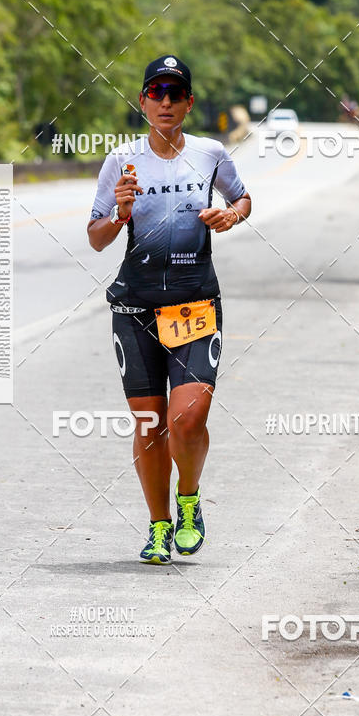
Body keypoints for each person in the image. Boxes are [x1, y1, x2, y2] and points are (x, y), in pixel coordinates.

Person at [87, 54, 251, 564]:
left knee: (188, 417)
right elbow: (95, 238)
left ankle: (189, 499)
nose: (165, 101)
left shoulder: (210, 153)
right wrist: (120, 215)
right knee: (148, 424)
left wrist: (230, 215)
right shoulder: (121, 160)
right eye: (156, 92)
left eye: (175, 93)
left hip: (193, 301)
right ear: (142, 101)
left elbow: (243, 199)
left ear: (189, 103)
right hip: (135, 307)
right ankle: (158, 526)